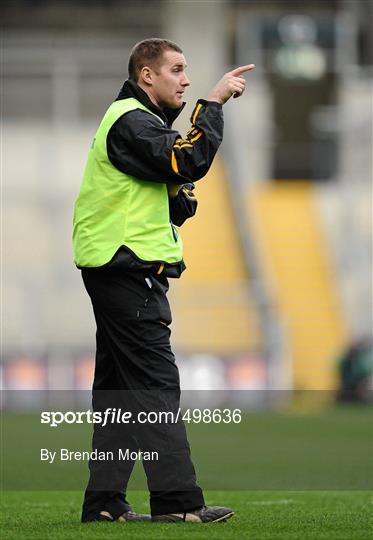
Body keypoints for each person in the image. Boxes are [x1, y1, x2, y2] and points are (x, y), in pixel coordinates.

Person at [73, 38, 254, 524]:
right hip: (127, 267)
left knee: (120, 392)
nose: (186, 79)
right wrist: (212, 104)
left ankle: (105, 504)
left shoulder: (139, 124)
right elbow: (186, 160)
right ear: (146, 76)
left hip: (116, 264)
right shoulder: (132, 119)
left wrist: (178, 195)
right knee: (155, 386)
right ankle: (178, 504)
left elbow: (172, 193)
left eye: (187, 71)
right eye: (177, 69)